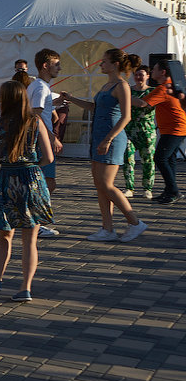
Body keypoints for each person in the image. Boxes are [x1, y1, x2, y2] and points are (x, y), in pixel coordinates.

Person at [0, 81, 55, 302]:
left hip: (7, 179)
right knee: (30, 239)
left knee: (4, 234)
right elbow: (49, 158)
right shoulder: (35, 122)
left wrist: (0, 160)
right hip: (31, 179)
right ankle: (25, 288)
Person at [59, 49, 148, 242]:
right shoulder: (107, 85)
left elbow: (126, 117)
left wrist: (108, 139)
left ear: (115, 64)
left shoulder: (122, 85)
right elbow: (94, 107)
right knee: (99, 185)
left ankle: (135, 222)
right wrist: (71, 98)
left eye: (104, 62)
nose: (101, 65)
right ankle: (107, 229)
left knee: (107, 185)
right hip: (98, 137)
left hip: (112, 139)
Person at [133, 59, 186, 204]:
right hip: (176, 128)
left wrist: (124, 97)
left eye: (154, 69)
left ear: (162, 72)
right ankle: (170, 190)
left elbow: (143, 103)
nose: (151, 72)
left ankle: (174, 191)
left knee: (160, 158)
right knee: (169, 159)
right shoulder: (170, 85)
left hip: (175, 128)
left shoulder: (163, 88)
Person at [26, 49, 64, 238]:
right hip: (41, 141)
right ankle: (35, 222)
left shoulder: (40, 86)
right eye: (56, 64)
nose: (59, 68)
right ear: (45, 66)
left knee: (45, 182)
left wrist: (58, 101)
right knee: (45, 183)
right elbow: (36, 115)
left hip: (40, 140)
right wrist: (51, 137)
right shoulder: (40, 87)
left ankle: (34, 220)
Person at [122, 61, 156, 200]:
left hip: (146, 130)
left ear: (147, 76)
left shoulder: (152, 91)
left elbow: (144, 105)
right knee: (128, 158)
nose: (138, 77)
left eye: (141, 75)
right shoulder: (128, 89)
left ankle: (148, 188)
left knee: (147, 159)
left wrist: (128, 99)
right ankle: (129, 187)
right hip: (129, 129)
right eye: (136, 75)